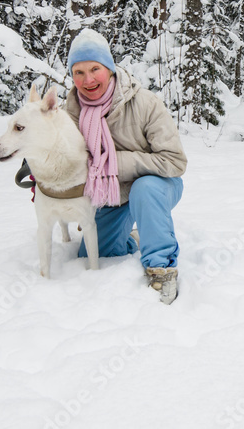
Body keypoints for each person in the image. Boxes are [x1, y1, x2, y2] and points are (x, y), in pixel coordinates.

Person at [64, 29, 187, 303]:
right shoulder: (70, 112)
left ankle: (161, 268)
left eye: (95, 69)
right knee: (94, 254)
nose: (88, 80)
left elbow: (175, 162)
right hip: (112, 196)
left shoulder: (145, 103)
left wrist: (115, 163)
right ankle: (132, 238)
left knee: (145, 188)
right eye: (79, 72)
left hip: (158, 185)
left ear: (109, 67)